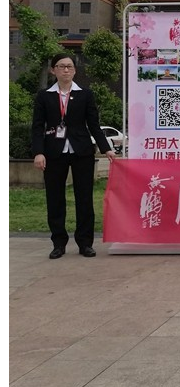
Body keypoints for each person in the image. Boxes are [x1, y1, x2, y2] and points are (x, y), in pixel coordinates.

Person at [31, 53, 116, 259]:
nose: (66, 70)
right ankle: (58, 243)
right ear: (53, 70)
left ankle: (85, 243)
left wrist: (106, 148)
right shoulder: (44, 96)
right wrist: (39, 152)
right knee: (55, 199)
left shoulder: (85, 94)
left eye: (69, 66)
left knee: (84, 198)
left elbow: (94, 125)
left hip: (81, 152)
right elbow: (37, 127)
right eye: (61, 66)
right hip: (53, 152)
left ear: (75, 70)